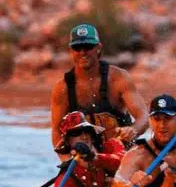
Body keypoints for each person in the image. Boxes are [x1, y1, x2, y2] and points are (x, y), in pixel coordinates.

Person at [49, 23, 148, 157]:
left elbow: (144, 117)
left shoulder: (119, 78)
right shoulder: (62, 88)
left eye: (88, 47)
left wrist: (133, 130)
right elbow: (56, 132)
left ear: (98, 48)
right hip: (84, 160)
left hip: (121, 155)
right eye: (77, 48)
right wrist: (67, 161)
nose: (83, 52)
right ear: (71, 51)